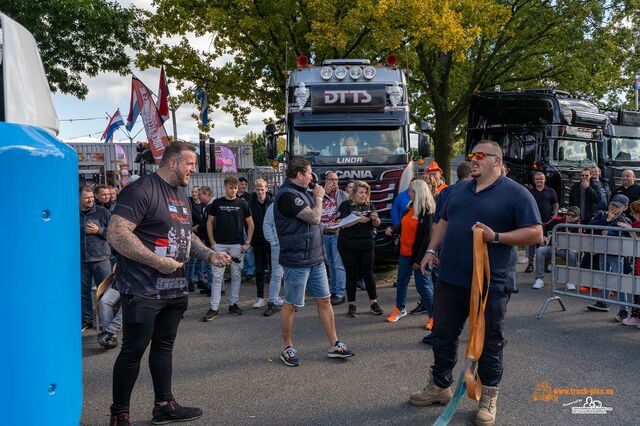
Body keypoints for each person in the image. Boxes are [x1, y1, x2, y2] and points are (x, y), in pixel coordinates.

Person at [413, 140, 542, 426]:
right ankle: (439, 386)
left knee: (490, 342)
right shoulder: (457, 190)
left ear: (497, 160)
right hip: (449, 279)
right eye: (471, 155)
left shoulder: (517, 194)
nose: (473, 159)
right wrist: (431, 251)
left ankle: (487, 396)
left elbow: (535, 233)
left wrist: (496, 237)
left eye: (480, 155)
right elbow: (443, 223)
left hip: (490, 284)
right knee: (443, 335)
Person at [106, 141, 231, 426]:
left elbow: (187, 237)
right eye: (190, 163)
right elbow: (117, 233)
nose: (193, 169)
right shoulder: (141, 190)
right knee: (132, 351)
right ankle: (119, 414)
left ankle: (164, 405)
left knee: (164, 347)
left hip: (174, 289)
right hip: (143, 289)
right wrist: (156, 261)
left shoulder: (182, 196)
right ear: (172, 162)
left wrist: (209, 253)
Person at [274, 157, 354, 367]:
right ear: (299, 174)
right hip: (296, 259)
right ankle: (287, 346)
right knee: (291, 304)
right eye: (309, 173)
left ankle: (334, 343)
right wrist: (319, 198)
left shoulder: (302, 192)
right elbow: (314, 218)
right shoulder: (288, 195)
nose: (312, 177)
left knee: (325, 299)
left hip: (315, 258)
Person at [385, 179, 436, 323]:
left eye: (411, 191)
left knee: (423, 287)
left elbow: (426, 239)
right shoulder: (410, 207)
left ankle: (434, 316)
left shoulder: (427, 212)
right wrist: (393, 229)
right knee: (401, 282)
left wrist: (419, 260)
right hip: (404, 253)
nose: (408, 193)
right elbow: (403, 225)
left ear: (418, 192)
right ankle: (400, 308)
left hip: (419, 257)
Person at [203, 176, 254, 320]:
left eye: (236, 188)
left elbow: (251, 224)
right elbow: (209, 222)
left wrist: (247, 242)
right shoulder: (217, 203)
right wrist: (212, 242)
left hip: (237, 245)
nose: (234, 191)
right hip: (219, 245)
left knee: (236, 275)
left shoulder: (242, 203)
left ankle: (234, 304)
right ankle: (214, 308)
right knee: (217, 277)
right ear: (225, 186)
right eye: (231, 188)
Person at [336, 180, 383, 317]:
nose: (363, 195)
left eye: (366, 193)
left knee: (368, 274)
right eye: (361, 192)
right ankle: (352, 304)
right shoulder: (345, 205)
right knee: (351, 275)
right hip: (348, 245)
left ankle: (374, 303)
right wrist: (357, 220)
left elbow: (377, 224)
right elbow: (340, 223)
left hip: (366, 244)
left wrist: (375, 219)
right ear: (354, 192)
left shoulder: (369, 204)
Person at [586, 194, 631, 319]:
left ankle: (624, 310)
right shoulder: (602, 214)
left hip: (617, 255)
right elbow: (588, 227)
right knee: (603, 278)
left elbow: (629, 239)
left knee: (620, 282)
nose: (613, 208)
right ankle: (603, 302)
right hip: (602, 253)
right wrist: (606, 221)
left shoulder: (626, 221)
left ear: (625, 208)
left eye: (617, 206)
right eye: (612, 204)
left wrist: (629, 229)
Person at [80, 185, 112, 331]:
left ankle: (108, 322)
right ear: (79, 198)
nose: (91, 200)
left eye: (92, 197)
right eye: (87, 198)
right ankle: (87, 319)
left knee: (106, 291)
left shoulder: (103, 212)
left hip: (101, 258)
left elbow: (114, 232)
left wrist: (99, 230)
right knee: (83, 291)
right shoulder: (72, 213)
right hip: (81, 260)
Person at [532, 206, 581, 290]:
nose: (569, 217)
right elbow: (543, 226)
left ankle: (570, 281)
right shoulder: (557, 221)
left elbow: (577, 242)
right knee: (540, 250)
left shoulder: (578, 227)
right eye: (568, 214)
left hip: (566, 250)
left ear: (577, 217)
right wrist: (543, 236)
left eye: (573, 215)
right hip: (552, 247)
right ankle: (539, 279)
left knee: (572, 254)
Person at [321, 171, 349, 305]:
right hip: (324, 234)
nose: (334, 183)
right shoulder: (319, 195)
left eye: (336, 180)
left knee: (339, 265)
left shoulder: (344, 195)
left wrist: (340, 222)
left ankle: (340, 293)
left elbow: (350, 212)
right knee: (330, 263)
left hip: (338, 234)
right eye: (331, 180)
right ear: (325, 181)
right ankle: (333, 290)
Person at [525, 172, 559, 273]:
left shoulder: (551, 191)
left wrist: (555, 215)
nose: (539, 180)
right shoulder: (530, 192)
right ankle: (530, 264)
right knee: (532, 243)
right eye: (537, 179)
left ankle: (545, 265)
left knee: (547, 244)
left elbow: (555, 204)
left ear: (544, 180)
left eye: (541, 179)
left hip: (547, 222)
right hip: (534, 222)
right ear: (534, 180)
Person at [248, 179, 273, 308]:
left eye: (262, 189)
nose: (260, 192)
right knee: (259, 270)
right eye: (258, 189)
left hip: (272, 241)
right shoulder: (250, 204)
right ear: (254, 190)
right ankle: (260, 297)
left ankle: (274, 296)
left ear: (266, 189)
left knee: (275, 270)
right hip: (257, 241)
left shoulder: (272, 202)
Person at [262, 202, 284, 316]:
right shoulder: (274, 206)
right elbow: (267, 224)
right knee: (277, 274)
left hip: (293, 245)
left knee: (291, 274)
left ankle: (291, 303)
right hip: (278, 245)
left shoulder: (297, 202)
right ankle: (272, 302)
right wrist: (273, 242)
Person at [622, 199, 640, 327]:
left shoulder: (636, 225)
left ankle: (636, 317)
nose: (632, 215)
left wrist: (631, 230)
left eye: (633, 213)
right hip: (638, 261)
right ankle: (636, 316)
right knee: (637, 289)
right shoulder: (636, 224)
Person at [196, 186, 214, 294]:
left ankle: (214, 287)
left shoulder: (212, 206)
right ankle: (210, 285)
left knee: (212, 265)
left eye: (200, 194)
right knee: (209, 264)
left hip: (212, 239)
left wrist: (197, 228)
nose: (198, 196)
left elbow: (209, 224)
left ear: (207, 194)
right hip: (207, 239)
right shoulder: (206, 206)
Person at [187, 186, 205, 292]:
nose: (194, 193)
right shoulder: (189, 203)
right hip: (193, 233)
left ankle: (200, 279)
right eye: (193, 192)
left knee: (202, 258)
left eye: (196, 192)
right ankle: (190, 281)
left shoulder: (203, 204)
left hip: (202, 234)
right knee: (192, 259)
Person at [238, 177, 255, 279]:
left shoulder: (249, 197)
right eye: (241, 184)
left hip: (246, 225)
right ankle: (239, 269)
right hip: (235, 226)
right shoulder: (233, 196)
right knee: (237, 248)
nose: (243, 186)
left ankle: (250, 270)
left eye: (245, 184)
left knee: (248, 248)